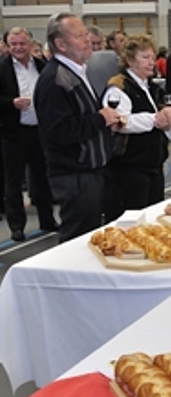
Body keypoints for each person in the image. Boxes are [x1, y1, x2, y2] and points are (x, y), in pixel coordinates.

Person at [34, 12, 120, 243]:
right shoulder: (55, 79)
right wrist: (100, 119)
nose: (87, 40)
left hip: (88, 171)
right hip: (74, 174)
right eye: (79, 35)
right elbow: (60, 131)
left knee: (89, 234)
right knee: (77, 238)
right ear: (60, 44)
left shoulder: (76, 72)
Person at [101, 34, 171, 222]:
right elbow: (120, 122)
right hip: (129, 168)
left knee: (153, 218)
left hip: (153, 163)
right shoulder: (118, 87)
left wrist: (168, 121)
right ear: (129, 60)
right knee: (131, 220)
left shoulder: (152, 87)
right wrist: (155, 119)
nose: (151, 62)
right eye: (145, 57)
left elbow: (166, 115)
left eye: (152, 57)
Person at [0, 27, 58, 242]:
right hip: (13, 134)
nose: (18, 48)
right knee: (13, 181)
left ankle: (48, 220)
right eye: (13, 44)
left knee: (42, 177)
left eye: (21, 43)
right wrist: (11, 103)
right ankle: (17, 226)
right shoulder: (2, 68)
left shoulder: (42, 66)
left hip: (39, 131)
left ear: (30, 43)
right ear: (7, 45)